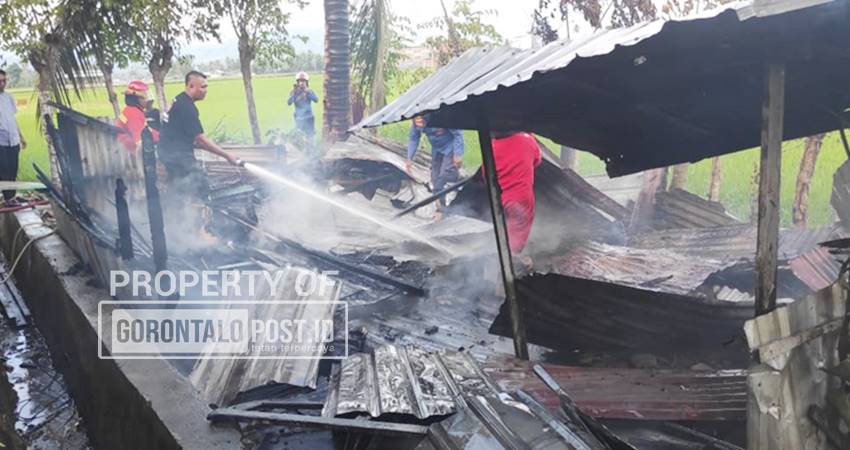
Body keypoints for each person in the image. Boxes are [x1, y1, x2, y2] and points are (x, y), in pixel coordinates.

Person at [158, 71, 241, 245]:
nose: (206, 90)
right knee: (200, 188)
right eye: (203, 87)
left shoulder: (178, 100)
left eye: (206, 86)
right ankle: (200, 232)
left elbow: (177, 131)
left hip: (169, 154)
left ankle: (176, 229)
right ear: (191, 86)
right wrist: (227, 156)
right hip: (179, 156)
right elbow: (201, 139)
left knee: (178, 192)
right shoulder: (187, 108)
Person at [490, 131, 541, 257]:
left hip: (496, 197)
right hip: (519, 198)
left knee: (502, 225)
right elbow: (537, 161)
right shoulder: (528, 140)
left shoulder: (492, 145)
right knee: (518, 231)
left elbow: (486, 175)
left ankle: (500, 255)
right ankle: (511, 262)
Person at [406, 114, 464, 218]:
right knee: (435, 178)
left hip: (450, 147)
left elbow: (458, 134)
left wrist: (457, 154)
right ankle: (442, 209)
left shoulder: (442, 117)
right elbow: (413, 138)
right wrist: (409, 158)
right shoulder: (416, 122)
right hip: (436, 149)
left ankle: (457, 179)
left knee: (444, 175)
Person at [0, 69, 27, 207]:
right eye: (0, 81)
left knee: (13, 168)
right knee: (3, 170)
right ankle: (8, 199)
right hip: (1, 142)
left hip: (13, 139)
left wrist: (22, 137)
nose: (3, 84)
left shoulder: (9, 97)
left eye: (4, 80)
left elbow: (13, 119)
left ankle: (12, 196)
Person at [116, 80, 159, 152]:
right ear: (137, 99)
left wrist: (162, 137)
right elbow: (139, 142)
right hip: (130, 154)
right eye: (145, 97)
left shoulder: (131, 110)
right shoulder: (134, 113)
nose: (148, 100)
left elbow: (147, 130)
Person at [287, 72, 319, 138]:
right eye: (300, 81)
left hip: (309, 117)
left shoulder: (309, 91)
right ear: (297, 82)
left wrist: (308, 92)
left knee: (310, 136)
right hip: (299, 118)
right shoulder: (294, 92)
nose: (301, 83)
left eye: (303, 81)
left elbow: (316, 100)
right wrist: (294, 94)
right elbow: (289, 102)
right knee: (299, 136)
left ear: (306, 82)